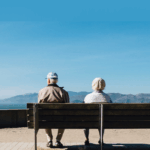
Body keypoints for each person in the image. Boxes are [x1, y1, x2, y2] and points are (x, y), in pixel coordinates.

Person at [38, 72, 69, 148]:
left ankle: (49, 140)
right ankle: (58, 140)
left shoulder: (42, 91)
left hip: (47, 119)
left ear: (48, 80)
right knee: (63, 119)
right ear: (57, 80)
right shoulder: (63, 92)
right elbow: (68, 106)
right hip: (60, 119)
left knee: (45, 117)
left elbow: (39, 107)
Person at [83, 77, 112, 145]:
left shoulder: (88, 97)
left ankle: (86, 138)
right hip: (103, 121)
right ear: (104, 85)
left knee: (85, 119)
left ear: (93, 85)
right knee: (102, 119)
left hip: (89, 120)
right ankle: (101, 138)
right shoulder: (107, 97)